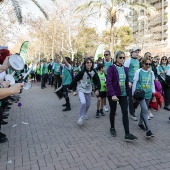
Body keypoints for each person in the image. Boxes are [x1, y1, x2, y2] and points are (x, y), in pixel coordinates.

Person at [106, 51, 138, 141]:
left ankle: (127, 134)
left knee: (125, 112)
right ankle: (112, 127)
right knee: (113, 110)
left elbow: (126, 79)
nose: (122, 59)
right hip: (113, 94)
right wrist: (112, 94)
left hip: (123, 94)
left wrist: (128, 83)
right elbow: (109, 82)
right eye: (120, 57)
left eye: (124, 58)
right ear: (116, 58)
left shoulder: (125, 69)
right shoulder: (111, 68)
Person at [68, 57, 100, 125]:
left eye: (90, 63)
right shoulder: (82, 72)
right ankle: (81, 117)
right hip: (81, 88)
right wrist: (70, 87)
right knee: (83, 102)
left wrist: (97, 89)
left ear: (92, 64)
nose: (89, 64)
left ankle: (84, 114)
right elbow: (75, 79)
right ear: (85, 64)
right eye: (87, 63)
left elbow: (97, 81)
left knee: (88, 104)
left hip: (88, 89)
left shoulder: (93, 71)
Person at [132, 57, 155, 138]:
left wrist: (154, 94)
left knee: (143, 110)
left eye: (149, 64)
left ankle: (140, 123)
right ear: (143, 63)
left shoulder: (151, 72)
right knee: (145, 110)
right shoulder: (139, 71)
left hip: (148, 94)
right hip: (141, 94)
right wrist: (133, 95)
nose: (148, 65)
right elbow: (134, 83)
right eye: (146, 64)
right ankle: (149, 130)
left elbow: (152, 84)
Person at [124, 47, 141, 121]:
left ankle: (133, 110)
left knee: (138, 98)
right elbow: (125, 72)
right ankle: (131, 113)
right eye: (135, 51)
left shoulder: (137, 61)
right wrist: (128, 81)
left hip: (137, 83)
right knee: (130, 98)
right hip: (130, 82)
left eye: (138, 52)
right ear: (131, 52)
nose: (137, 53)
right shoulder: (128, 60)